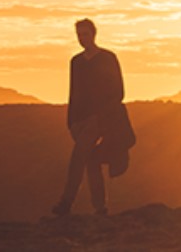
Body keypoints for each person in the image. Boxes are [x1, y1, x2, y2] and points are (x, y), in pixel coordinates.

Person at [52, 18, 134, 216]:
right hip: (79, 120)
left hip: (99, 119)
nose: (82, 38)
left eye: (85, 34)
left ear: (93, 34)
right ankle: (100, 207)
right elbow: (73, 92)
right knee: (91, 160)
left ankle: (66, 202)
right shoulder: (76, 62)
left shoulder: (108, 58)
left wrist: (103, 116)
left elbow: (118, 91)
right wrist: (70, 121)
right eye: (79, 35)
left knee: (78, 157)